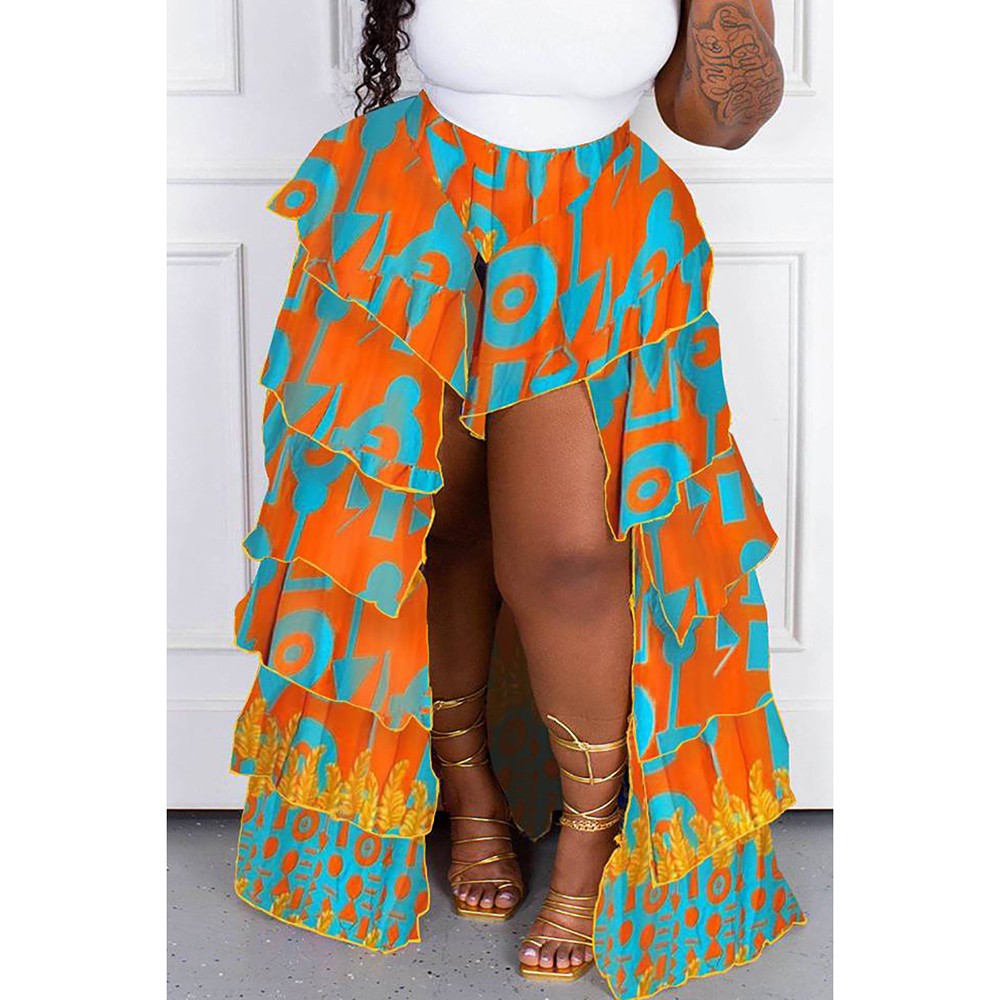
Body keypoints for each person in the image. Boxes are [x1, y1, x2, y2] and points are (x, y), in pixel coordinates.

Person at [229, 2, 804, 994]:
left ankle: (591, 834)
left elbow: (726, 121)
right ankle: (471, 793)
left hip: (600, 224)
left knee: (572, 560)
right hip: (413, 204)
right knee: (435, 533)